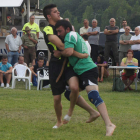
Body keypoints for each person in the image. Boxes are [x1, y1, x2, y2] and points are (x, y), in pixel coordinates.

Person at [55, 19, 116, 136]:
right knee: (69, 94)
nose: (58, 34)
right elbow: (75, 53)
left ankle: (109, 124)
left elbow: (68, 52)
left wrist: (59, 53)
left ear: (67, 29)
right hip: (81, 71)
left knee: (93, 95)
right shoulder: (76, 36)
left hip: (87, 69)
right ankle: (93, 112)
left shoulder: (70, 35)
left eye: (59, 31)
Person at [43, 4, 100, 129]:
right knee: (57, 98)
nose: (59, 13)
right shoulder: (48, 29)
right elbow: (63, 47)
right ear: (49, 16)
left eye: (58, 11)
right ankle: (58, 121)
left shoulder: (64, 26)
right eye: (55, 12)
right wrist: (80, 54)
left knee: (74, 88)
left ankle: (77, 113)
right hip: (56, 65)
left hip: (69, 63)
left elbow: (72, 41)